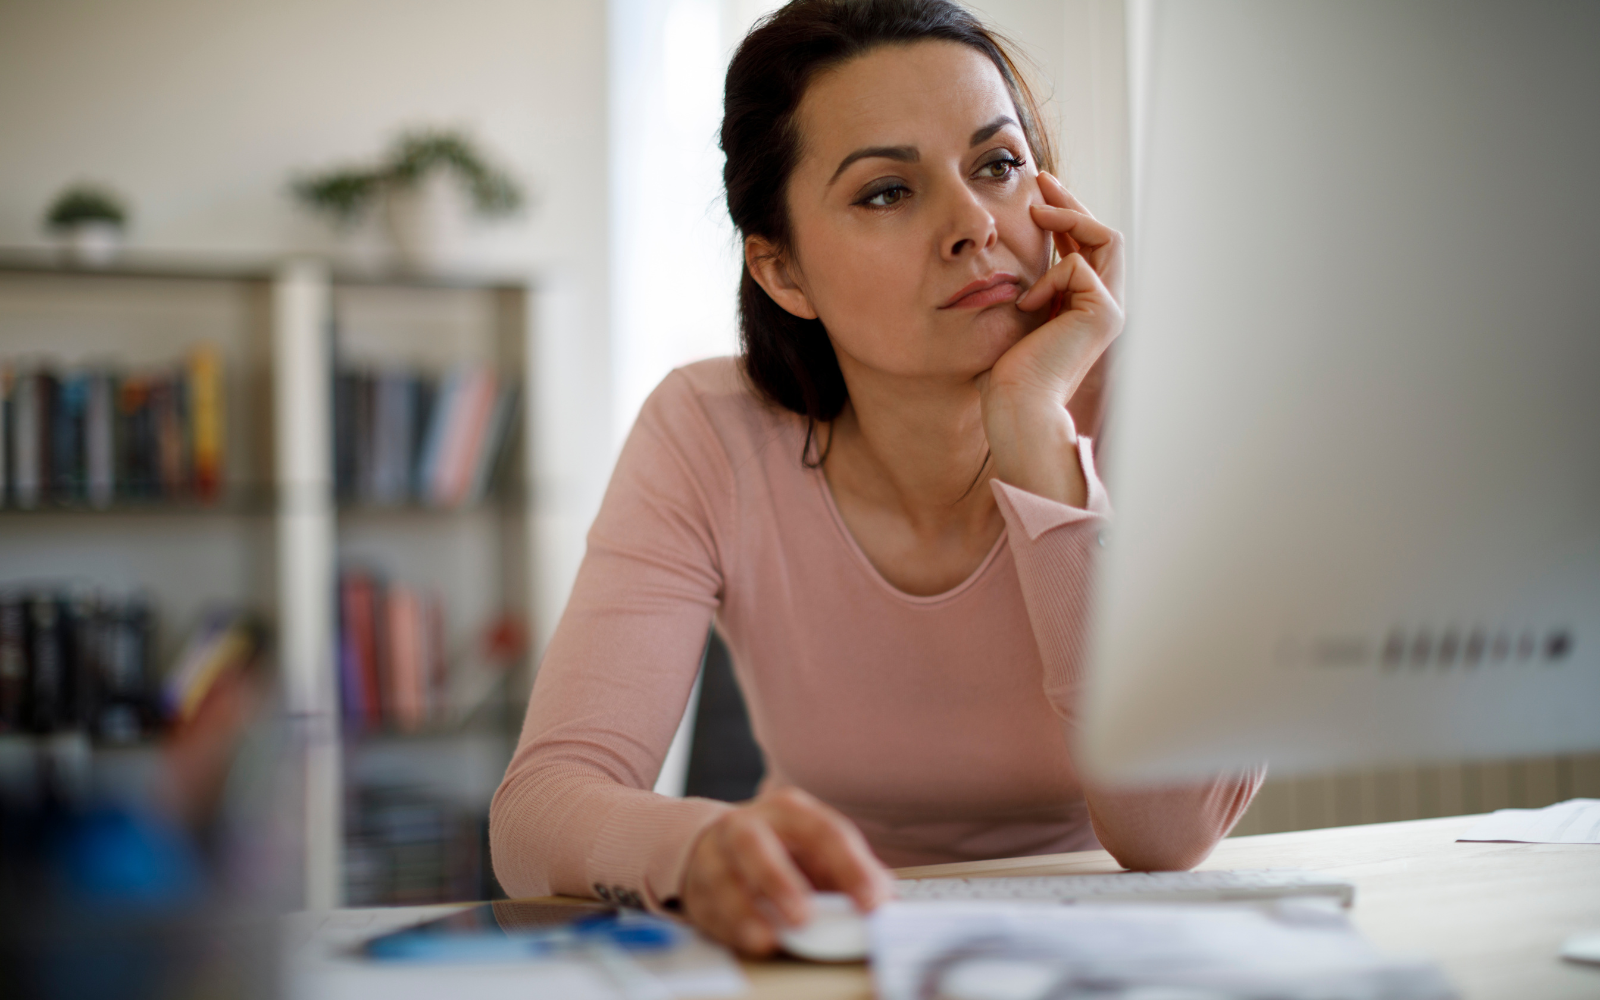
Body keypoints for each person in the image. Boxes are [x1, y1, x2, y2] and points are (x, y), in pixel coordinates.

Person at [490, 0, 1262, 956]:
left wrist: (1034, 437)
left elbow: (1169, 833)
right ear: (781, 272)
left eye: (998, 164)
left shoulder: (1173, 410)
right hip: (827, 943)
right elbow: (536, 814)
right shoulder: (707, 432)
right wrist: (702, 849)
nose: (974, 223)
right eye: (887, 192)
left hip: (1115, 949)